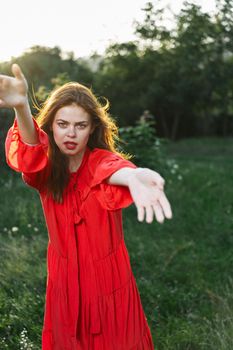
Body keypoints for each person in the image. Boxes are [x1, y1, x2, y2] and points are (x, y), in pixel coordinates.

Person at [0, 64, 172, 350]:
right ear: (51, 125)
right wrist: (21, 108)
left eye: (80, 125)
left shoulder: (99, 161)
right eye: (63, 124)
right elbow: (31, 151)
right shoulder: (47, 170)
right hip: (64, 282)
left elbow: (112, 169)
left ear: (92, 128)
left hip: (110, 284)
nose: (71, 134)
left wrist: (134, 176)